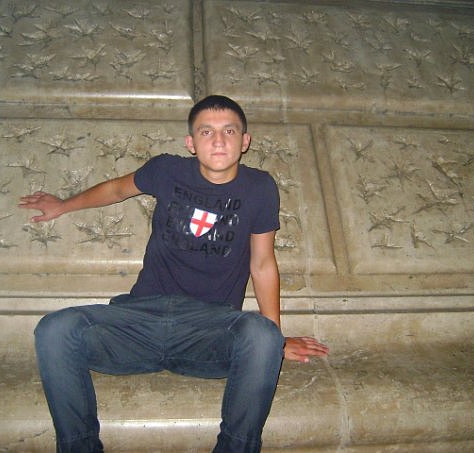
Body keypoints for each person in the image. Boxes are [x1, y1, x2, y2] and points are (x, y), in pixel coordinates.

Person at [19, 95, 328, 453]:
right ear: (191, 143)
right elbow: (117, 189)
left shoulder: (259, 188)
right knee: (55, 329)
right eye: (206, 132)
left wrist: (275, 341)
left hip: (209, 330)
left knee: (261, 335)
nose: (218, 140)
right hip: (138, 320)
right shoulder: (167, 170)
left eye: (229, 131)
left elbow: (262, 264)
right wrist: (63, 205)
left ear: (245, 141)